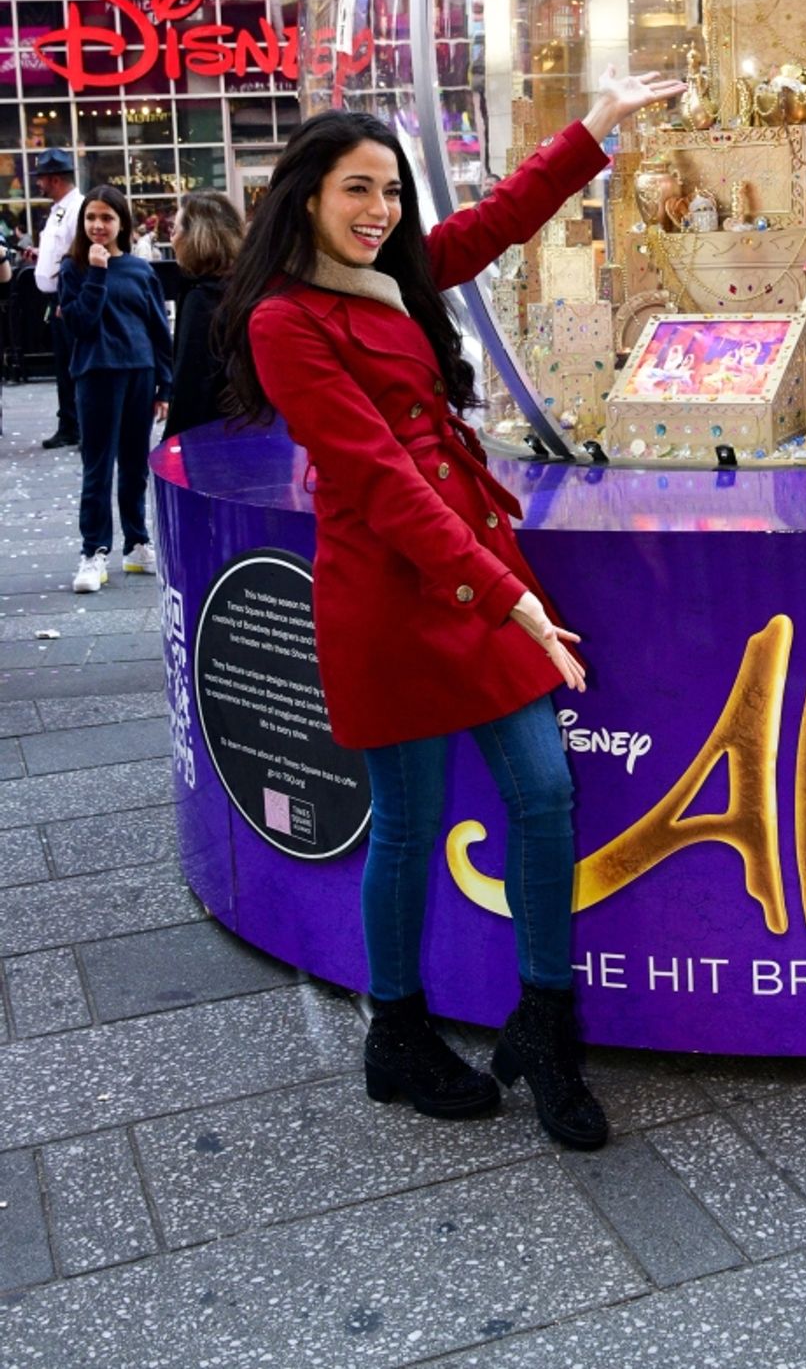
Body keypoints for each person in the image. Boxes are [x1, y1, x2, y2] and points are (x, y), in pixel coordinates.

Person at [218, 67, 681, 1151]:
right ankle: (399, 1031)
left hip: (472, 573)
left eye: (388, 188)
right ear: (305, 199)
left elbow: (499, 218)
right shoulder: (288, 321)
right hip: (391, 593)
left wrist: (593, 127)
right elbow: (377, 477)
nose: (379, 209)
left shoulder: (397, 272)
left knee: (543, 791)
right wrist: (512, 597)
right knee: (410, 822)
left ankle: (543, 1025)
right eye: (355, 190)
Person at [58, 185, 173, 594]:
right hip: (95, 375)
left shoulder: (142, 272)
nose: (98, 225)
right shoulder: (73, 269)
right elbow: (80, 325)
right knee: (97, 466)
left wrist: (166, 385)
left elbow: (159, 331)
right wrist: (96, 273)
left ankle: (137, 542)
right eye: (91, 217)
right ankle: (94, 551)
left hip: (139, 374)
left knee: (134, 465)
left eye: (106, 218)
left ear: (122, 222)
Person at [163, 190, 244, 439]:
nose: (172, 239)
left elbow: (192, 383)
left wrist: (172, 441)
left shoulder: (202, 297)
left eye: (174, 230)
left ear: (194, 237)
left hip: (210, 436)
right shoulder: (244, 286)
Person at [31, 146, 81, 448]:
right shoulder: (60, 208)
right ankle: (69, 424)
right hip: (56, 296)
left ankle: (79, 425)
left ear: (55, 179)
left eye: (42, 178)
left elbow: (79, 255)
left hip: (68, 296)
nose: (38, 183)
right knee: (63, 365)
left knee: (73, 365)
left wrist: (70, 297)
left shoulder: (77, 208)